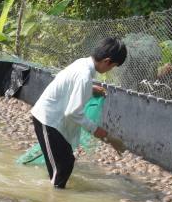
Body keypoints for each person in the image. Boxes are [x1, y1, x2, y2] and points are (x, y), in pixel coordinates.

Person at [30, 37, 125, 188]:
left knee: (65, 162)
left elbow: (69, 81)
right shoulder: (84, 75)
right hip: (47, 120)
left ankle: (56, 194)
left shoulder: (82, 63)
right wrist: (105, 135)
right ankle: (55, 201)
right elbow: (73, 113)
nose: (110, 70)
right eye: (112, 66)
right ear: (107, 61)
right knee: (62, 167)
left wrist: (90, 89)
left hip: (54, 120)